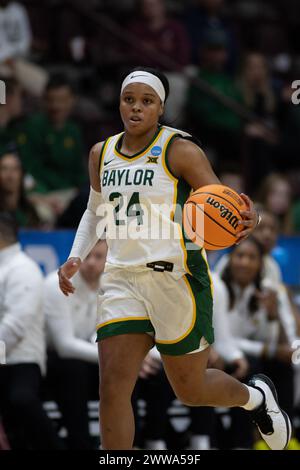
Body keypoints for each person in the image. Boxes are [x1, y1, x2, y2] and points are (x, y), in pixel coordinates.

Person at [57, 66, 291, 450]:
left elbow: (223, 202)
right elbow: (93, 208)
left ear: (161, 108)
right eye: (128, 100)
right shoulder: (101, 153)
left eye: (146, 101)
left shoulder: (179, 149)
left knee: (191, 390)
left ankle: (257, 398)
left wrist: (251, 218)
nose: (135, 108)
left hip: (175, 277)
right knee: (113, 388)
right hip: (121, 278)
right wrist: (75, 257)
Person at [220, 237, 295, 448]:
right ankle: (242, 441)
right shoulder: (217, 288)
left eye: (251, 257)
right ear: (230, 259)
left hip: (253, 358)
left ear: (260, 264)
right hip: (221, 356)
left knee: (283, 364)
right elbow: (222, 338)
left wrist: (273, 316)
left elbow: (275, 343)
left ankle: (284, 435)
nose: (245, 262)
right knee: (251, 365)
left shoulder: (266, 291)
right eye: (240, 256)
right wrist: (265, 349)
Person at [0, 212, 62, 449]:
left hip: (22, 361)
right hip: (3, 359)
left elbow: (15, 327)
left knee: (21, 399)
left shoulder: (22, 269)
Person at [44, 240, 107, 449]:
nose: (90, 262)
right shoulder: (57, 284)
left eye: (98, 257)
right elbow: (64, 345)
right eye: (86, 256)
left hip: (87, 356)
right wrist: (116, 357)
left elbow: (101, 336)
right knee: (74, 370)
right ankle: (80, 443)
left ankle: (130, 443)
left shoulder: (110, 285)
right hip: (49, 362)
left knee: (124, 371)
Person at [0, 148, 40, 228]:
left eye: (15, 169)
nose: (9, 175)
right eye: (4, 169)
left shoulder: (30, 211)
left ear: (22, 174)